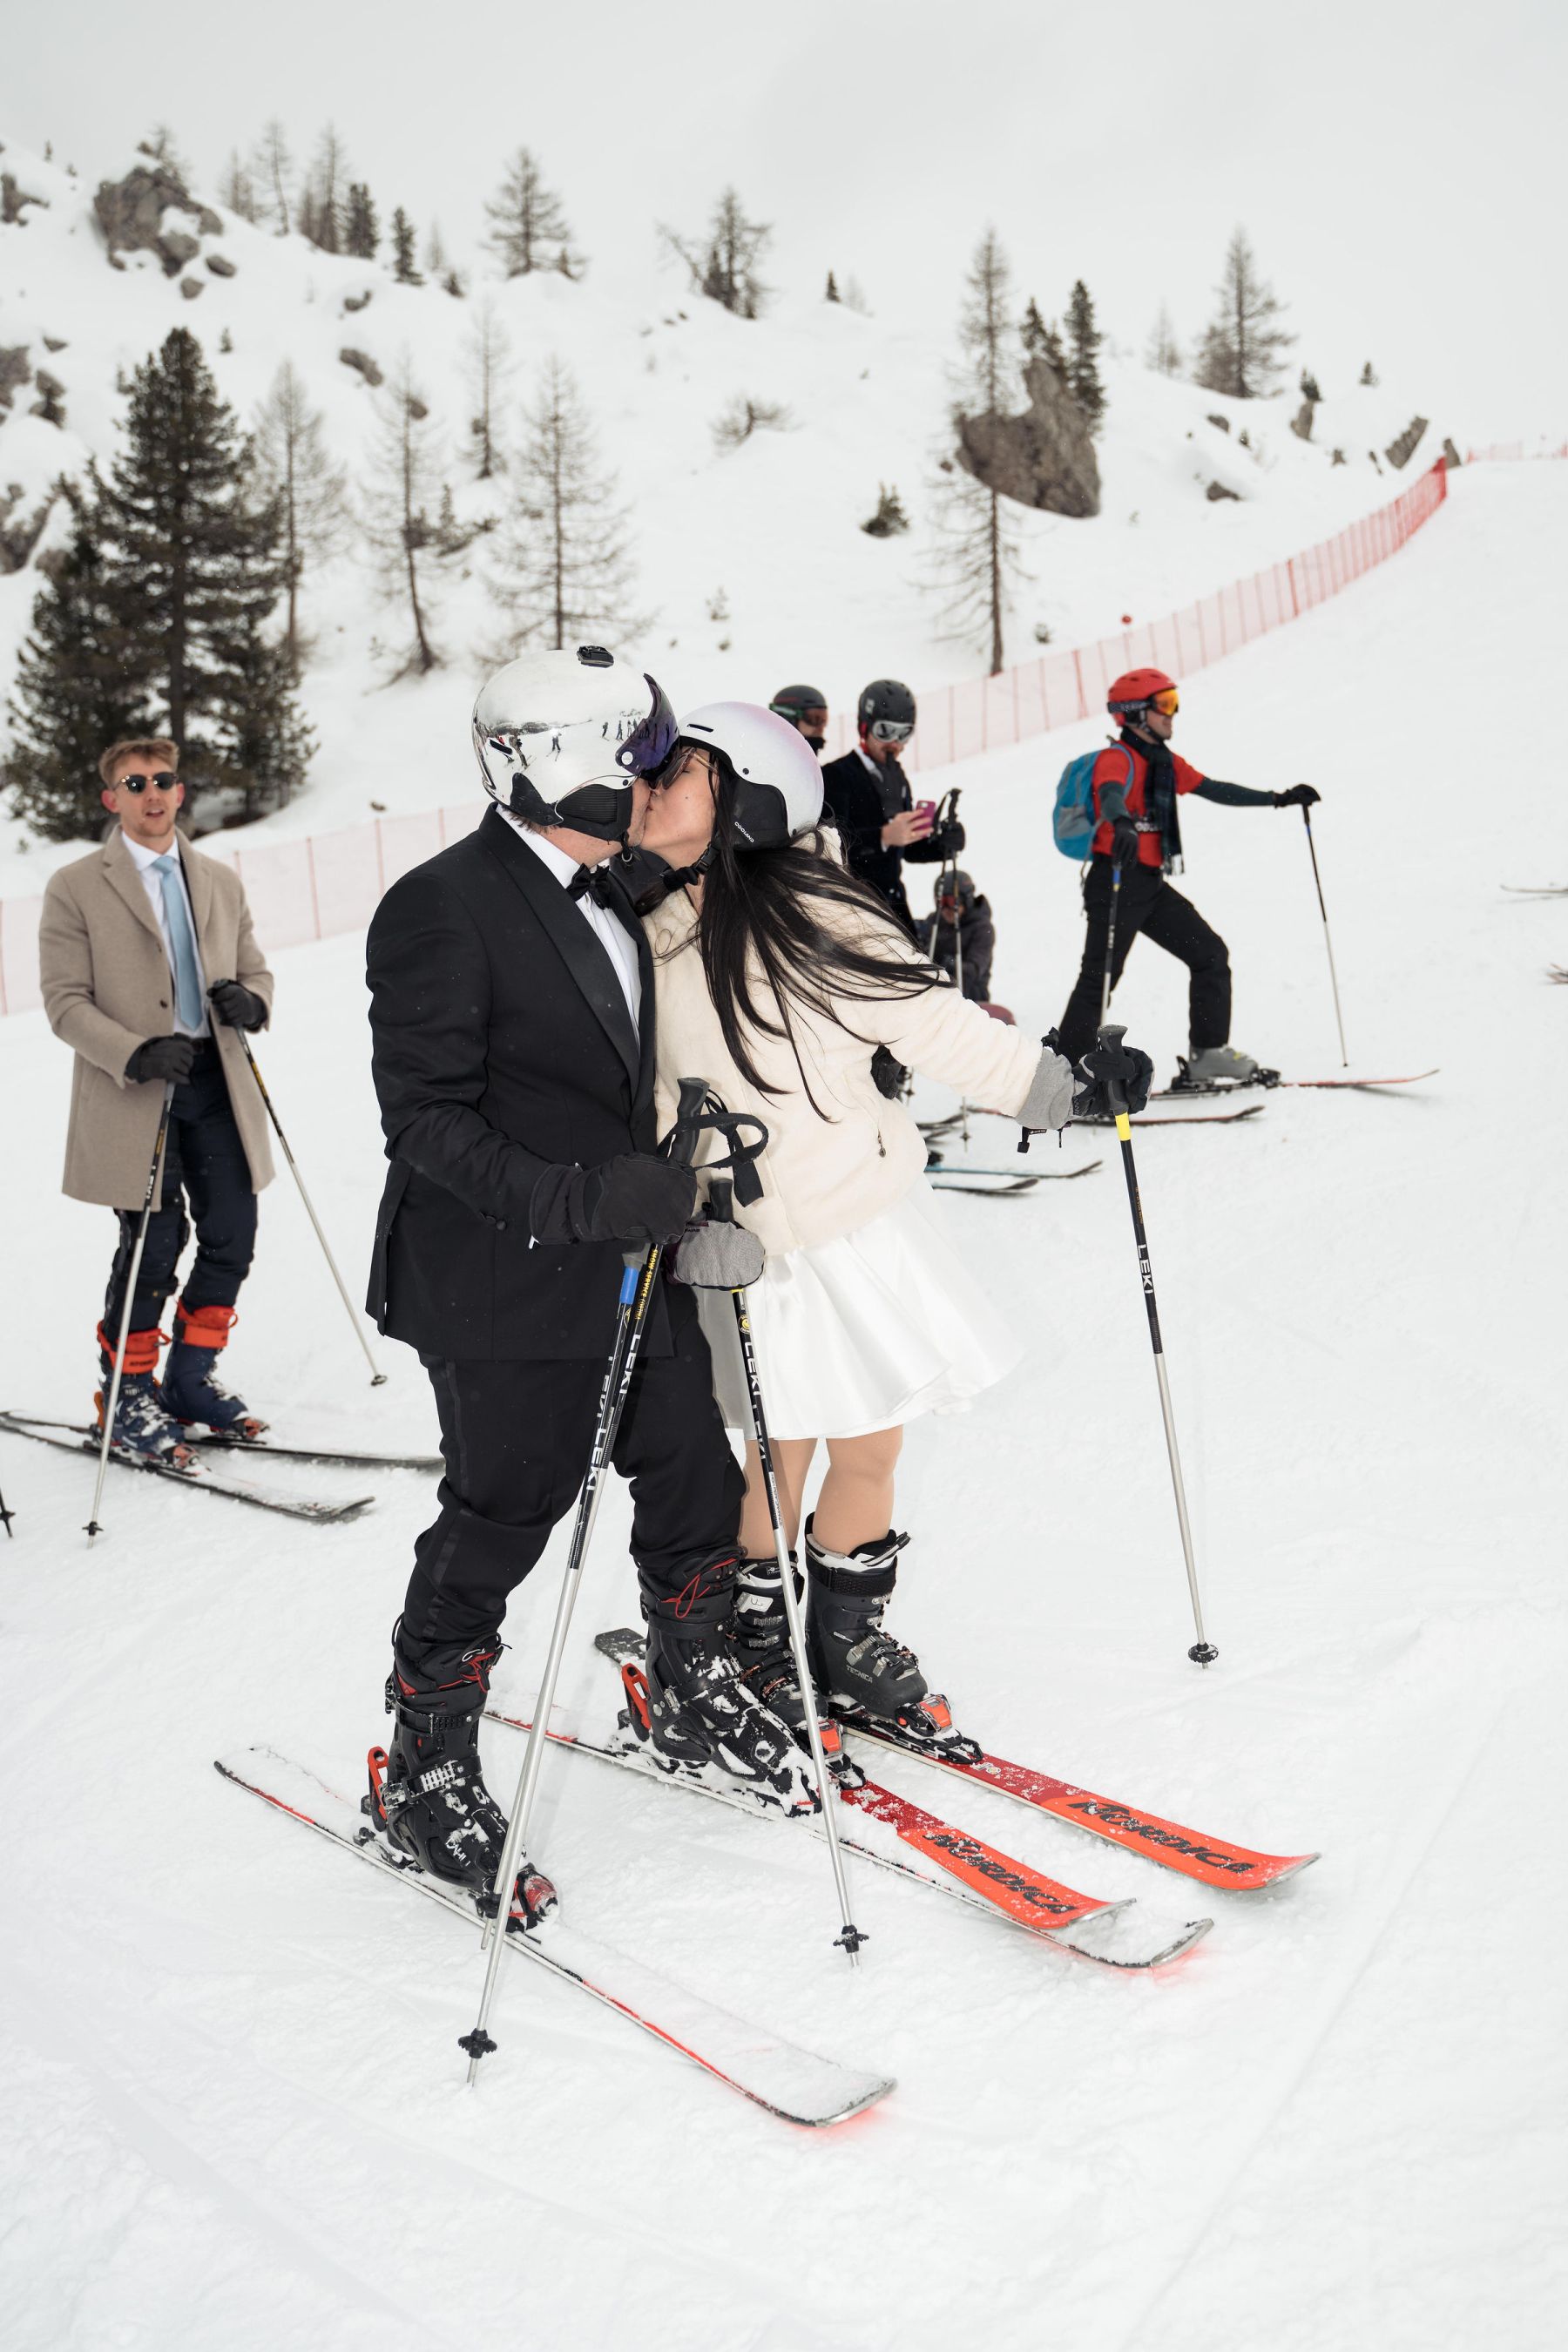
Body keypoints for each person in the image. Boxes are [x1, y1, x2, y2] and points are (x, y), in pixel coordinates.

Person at [362, 647, 813, 1926]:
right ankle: (427, 1763)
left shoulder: (612, 887)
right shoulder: (439, 905)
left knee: (691, 1472)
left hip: (633, 1256)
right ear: (564, 759)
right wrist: (582, 1201)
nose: (651, 773)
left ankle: (690, 1678)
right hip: (499, 1277)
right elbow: (425, 1123)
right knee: (507, 1510)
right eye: (636, 753)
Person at [639, 701, 1132, 1747]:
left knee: (869, 1447)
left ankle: (846, 1636)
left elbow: (933, 1021)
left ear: (740, 803)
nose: (646, 781)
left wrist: (1062, 1085)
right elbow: (633, 1099)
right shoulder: (631, 924)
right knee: (776, 1455)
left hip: (857, 1222)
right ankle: (755, 1640)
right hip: (747, 1244)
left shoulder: (815, 917)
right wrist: (673, 1215)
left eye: (676, 771)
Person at [38, 737, 275, 1460]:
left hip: (215, 1079)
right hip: (136, 1088)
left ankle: (190, 1379)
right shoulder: (76, 885)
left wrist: (251, 1001)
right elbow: (63, 1002)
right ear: (112, 798)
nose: (151, 793)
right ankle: (128, 1391)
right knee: (153, 1242)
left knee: (232, 1231)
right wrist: (134, 1052)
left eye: (163, 780)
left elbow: (258, 970)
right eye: (133, 783)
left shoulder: (217, 880)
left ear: (180, 792)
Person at [1056, 667, 1320, 1081]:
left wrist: (1279, 799)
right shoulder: (1116, 757)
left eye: (1173, 702)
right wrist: (1120, 820)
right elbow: (1109, 792)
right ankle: (1065, 1076)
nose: (1172, 714)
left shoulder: (1165, 763)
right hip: (1114, 881)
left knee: (1209, 954)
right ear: (1134, 713)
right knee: (1099, 980)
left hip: (1148, 884)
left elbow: (1214, 789)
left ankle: (1209, 1052)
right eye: (1164, 704)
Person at [821, 679, 965, 938]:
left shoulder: (897, 778)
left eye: (904, 733)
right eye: (885, 731)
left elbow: (906, 848)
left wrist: (942, 844)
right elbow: (829, 847)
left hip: (894, 905)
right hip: (853, 909)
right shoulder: (836, 776)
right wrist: (883, 836)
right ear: (864, 727)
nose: (895, 743)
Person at [916, 869, 996, 1005]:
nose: (946, 909)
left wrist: (947, 963)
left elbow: (974, 969)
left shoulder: (982, 928)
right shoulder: (935, 921)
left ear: (967, 899)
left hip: (972, 995)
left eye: (951, 901)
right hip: (937, 993)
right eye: (941, 901)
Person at [768, 684, 829, 753]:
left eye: (824, 719)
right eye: (815, 719)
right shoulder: (772, 755)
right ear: (788, 720)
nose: (821, 727)